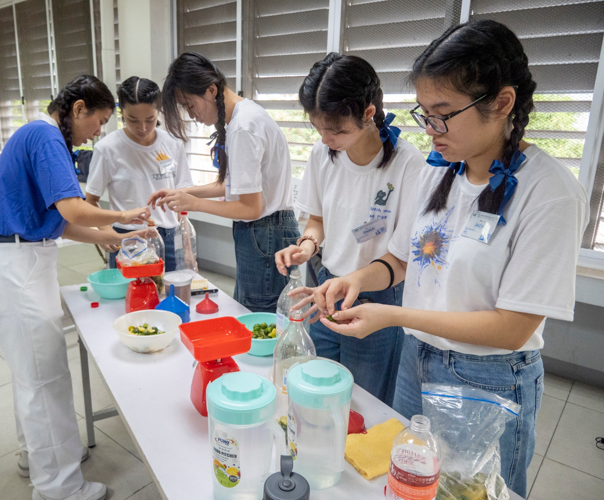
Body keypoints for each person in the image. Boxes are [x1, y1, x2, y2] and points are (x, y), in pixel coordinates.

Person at [295, 20, 588, 498]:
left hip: (488, 379)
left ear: (502, 102)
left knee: (473, 489)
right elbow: (404, 261)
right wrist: (357, 280)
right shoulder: (440, 174)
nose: (430, 128)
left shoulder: (549, 192)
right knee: (412, 482)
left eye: (443, 113)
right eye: (424, 114)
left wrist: (391, 314)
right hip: (418, 358)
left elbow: (512, 326)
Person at [0, 75, 155, 500]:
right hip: (13, 265)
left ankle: (36, 456)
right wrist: (126, 214)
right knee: (45, 378)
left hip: (11, 259)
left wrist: (117, 236)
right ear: (78, 109)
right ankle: (58, 488)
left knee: (29, 372)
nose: (99, 131)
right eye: (100, 120)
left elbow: (63, 223)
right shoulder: (46, 136)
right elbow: (74, 208)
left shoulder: (41, 139)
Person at [274, 53, 424, 405]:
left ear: (368, 113)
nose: (326, 139)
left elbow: (400, 258)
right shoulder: (322, 155)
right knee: (320, 387)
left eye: (337, 130)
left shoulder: (407, 165)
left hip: (375, 294)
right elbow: (318, 221)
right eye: (318, 129)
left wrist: (354, 282)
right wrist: (307, 247)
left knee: (364, 400)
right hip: (325, 288)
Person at [148, 52, 300, 312]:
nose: (191, 114)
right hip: (266, 231)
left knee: (257, 317)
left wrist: (193, 203)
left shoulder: (243, 126)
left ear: (211, 90)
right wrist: (182, 192)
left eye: (189, 104)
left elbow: (250, 208)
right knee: (251, 312)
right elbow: (234, 186)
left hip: (264, 231)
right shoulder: (243, 118)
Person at [86, 76, 193, 271]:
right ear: (121, 113)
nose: (142, 128)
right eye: (132, 120)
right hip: (127, 237)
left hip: (169, 236)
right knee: (128, 298)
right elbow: (91, 199)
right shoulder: (107, 149)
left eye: (150, 120)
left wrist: (187, 247)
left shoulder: (173, 144)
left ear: (158, 112)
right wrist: (106, 231)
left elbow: (183, 195)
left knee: (169, 296)